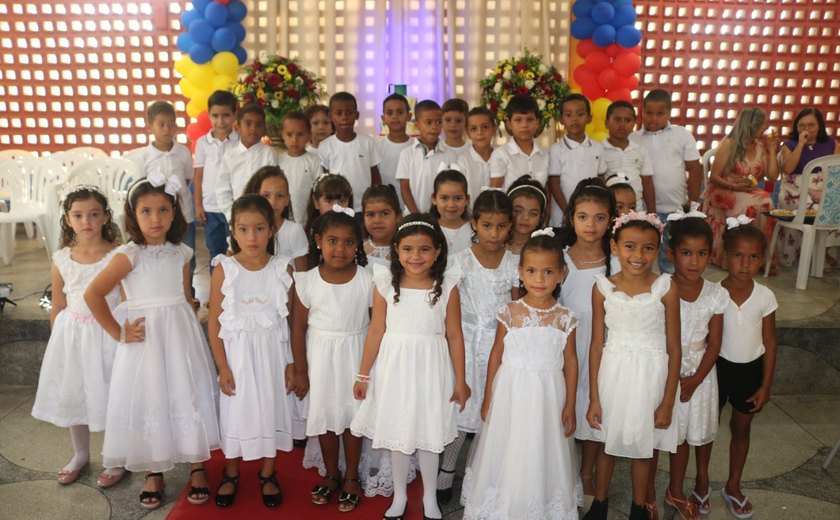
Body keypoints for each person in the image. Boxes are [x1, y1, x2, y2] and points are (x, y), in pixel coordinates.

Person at [85, 174, 220, 510]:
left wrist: (188, 305)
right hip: (145, 339)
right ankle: (154, 469)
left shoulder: (182, 252)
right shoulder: (129, 254)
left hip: (180, 335)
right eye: (146, 211)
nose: (155, 218)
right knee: (150, 396)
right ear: (134, 214)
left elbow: (184, 292)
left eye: (163, 210)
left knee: (184, 390)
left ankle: (197, 464)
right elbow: (93, 294)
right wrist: (118, 332)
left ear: (174, 213)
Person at [351, 214, 470, 520]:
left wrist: (461, 380)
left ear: (438, 251)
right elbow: (376, 330)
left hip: (432, 369)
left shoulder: (446, 285)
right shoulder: (385, 283)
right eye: (408, 249)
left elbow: (455, 334)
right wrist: (363, 374)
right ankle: (400, 496)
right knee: (399, 431)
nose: (415, 257)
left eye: (424, 250)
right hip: (395, 368)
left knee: (429, 434)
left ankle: (429, 497)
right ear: (396, 249)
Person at [461, 228, 580, 519]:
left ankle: (537, 504)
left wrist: (570, 405)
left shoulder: (565, 318)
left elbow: (572, 362)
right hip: (511, 391)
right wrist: (488, 394)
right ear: (520, 273)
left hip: (549, 395)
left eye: (548, 271)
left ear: (562, 274)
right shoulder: (509, 311)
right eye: (531, 271)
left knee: (543, 448)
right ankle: (505, 504)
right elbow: (496, 355)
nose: (539, 279)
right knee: (508, 447)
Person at [585, 211, 680, 520]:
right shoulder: (602, 288)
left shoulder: (666, 288)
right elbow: (597, 343)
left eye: (648, 248)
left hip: (651, 377)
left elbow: (674, 347)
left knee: (645, 445)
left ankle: (639, 507)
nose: (638, 255)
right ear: (614, 247)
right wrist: (594, 397)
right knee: (608, 443)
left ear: (658, 250)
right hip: (614, 374)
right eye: (629, 246)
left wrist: (668, 401)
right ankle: (599, 504)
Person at [31, 186, 124, 488]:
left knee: (112, 394)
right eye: (79, 215)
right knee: (76, 393)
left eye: (94, 214)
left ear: (106, 217)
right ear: (68, 220)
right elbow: (58, 303)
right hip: (71, 335)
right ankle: (80, 453)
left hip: (107, 332)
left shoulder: (117, 256)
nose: (87, 221)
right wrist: (57, 342)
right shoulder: (61, 259)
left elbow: (124, 299)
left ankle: (116, 457)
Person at [207, 195, 294, 509]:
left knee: (269, 408)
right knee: (236, 414)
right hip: (238, 360)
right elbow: (215, 323)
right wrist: (222, 366)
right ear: (233, 230)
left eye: (259, 228)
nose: (252, 237)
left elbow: (291, 322)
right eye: (243, 229)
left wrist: (292, 363)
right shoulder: (224, 269)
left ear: (271, 230)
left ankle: (268, 472)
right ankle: (231, 472)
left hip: (272, 357)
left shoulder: (282, 269)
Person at [436, 188, 519, 503]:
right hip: (466, 345)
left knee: (493, 408)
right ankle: (447, 469)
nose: (494, 234)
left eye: (501, 226)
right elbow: (449, 310)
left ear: (510, 225)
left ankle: (486, 472)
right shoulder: (459, 262)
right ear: (475, 223)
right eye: (487, 226)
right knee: (461, 408)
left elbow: (515, 308)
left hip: (499, 346)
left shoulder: (514, 263)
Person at [646, 209, 726, 520]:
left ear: (711, 255)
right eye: (686, 253)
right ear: (671, 254)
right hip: (664, 373)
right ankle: (648, 493)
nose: (694, 261)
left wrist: (694, 380)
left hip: (700, 377)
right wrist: (672, 377)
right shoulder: (661, 288)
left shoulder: (716, 293)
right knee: (656, 436)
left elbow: (715, 344)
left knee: (684, 438)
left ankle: (675, 489)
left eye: (702, 253)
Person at [290, 208, 372, 513]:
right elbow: (297, 328)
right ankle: (331, 472)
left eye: (349, 242)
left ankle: (351, 475)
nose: (340, 249)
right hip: (320, 357)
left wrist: (369, 370)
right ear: (318, 241)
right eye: (333, 241)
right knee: (324, 416)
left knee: (353, 417)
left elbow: (377, 327)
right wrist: (300, 370)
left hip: (356, 354)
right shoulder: (307, 280)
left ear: (358, 245)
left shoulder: (368, 279)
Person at [557, 178, 618, 505]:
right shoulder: (559, 259)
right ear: (571, 218)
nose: (590, 225)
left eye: (599, 218)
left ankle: (587, 471)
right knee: (564, 407)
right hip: (565, 349)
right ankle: (564, 470)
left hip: (601, 346)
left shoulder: (617, 262)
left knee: (596, 409)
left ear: (610, 220)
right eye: (583, 217)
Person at [715, 220, 778, 519]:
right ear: (725, 256)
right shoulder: (713, 293)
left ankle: (733, 485)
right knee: (703, 431)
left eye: (753, 257)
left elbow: (769, 340)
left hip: (750, 372)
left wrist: (765, 385)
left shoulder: (765, 296)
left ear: (762, 260)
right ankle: (701, 482)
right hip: (715, 370)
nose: (745, 263)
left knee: (741, 428)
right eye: (738, 255)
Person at [630, 89, 703, 274]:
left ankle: (669, 293)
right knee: (642, 254)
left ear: (669, 113)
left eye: (660, 114)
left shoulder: (682, 135)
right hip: (643, 211)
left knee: (669, 255)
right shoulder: (633, 139)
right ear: (641, 111)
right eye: (649, 113)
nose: (653, 118)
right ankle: (644, 291)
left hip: (675, 210)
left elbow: (695, 168)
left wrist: (693, 202)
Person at [129, 101, 197, 290]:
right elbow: (140, 187)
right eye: (161, 124)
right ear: (150, 127)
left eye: (172, 124)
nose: (167, 129)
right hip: (158, 217)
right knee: (161, 253)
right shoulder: (144, 156)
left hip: (184, 214)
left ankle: (188, 293)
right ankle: (165, 290)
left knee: (187, 253)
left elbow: (188, 179)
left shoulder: (183, 152)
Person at [703, 108, 779, 269]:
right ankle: (735, 256)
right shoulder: (729, 144)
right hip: (724, 188)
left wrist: (772, 149)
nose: (765, 126)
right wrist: (734, 186)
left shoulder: (759, 146)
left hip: (748, 190)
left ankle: (760, 257)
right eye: (762, 123)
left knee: (766, 202)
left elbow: (773, 176)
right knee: (749, 204)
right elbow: (714, 176)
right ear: (752, 124)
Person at [777, 107, 840, 268]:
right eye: (801, 125)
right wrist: (801, 143)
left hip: (824, 187)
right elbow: (788, 169)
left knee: (831, 206)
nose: (806, 129)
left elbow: (836, 172)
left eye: (811, 125)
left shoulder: (832, 143)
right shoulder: (789, 145)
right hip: (795, 189)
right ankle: (814, 258)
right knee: (815, 207)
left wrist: (824, 192)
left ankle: (824, 252)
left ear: (820, 126)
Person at [194, 90, 240, 268]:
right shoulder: (202, 143)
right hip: (211, 208)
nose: (221, 121)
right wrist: (199, 205)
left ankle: (233, 293)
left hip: (232, 206)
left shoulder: (239, 141)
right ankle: (217, 292)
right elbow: (198, 176)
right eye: (215, 116)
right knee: (215, 251)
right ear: (209, 115)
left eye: (226, 115)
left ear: (234, 114)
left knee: (235, 250)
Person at [318, 91, 382, 213]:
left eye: (349, 113)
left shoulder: (367, 142)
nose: (344, 117)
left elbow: (375, 175)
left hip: (364, 207)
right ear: (330, 116)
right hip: (337, 207)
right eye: (339, 113)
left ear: (356, 115)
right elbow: (324, 179)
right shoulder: (325, 146)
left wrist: (374, 200)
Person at [548, 93, 607, 226]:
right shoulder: (556, 150)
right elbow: (554, 184)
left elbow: (601, 179)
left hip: (590, 215)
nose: (574, 119)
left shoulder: (597, 148)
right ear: (561, 119)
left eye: (580, 114)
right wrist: (568, 211)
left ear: (589, 118)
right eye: (568, 115)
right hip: (562, 216)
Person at [216, 103, 281, 221]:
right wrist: (231, 215)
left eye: (259, 125)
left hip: (262, 215)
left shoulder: (269, 154)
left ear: (264, 129)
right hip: (236, 216)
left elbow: (273, 186)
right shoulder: (230, 156)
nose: (253, 128)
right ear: (238, 128)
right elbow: (223, 189)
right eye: (248, 123)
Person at [243, 166, 308, 271]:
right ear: (255, 196)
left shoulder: (294, 231)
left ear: (287, 199)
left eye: (280, 196)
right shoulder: (244, 229)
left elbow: (302, 276)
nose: (272, 202)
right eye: (266, 195)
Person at [397, 99, 456, 213]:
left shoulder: (449, 154)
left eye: (439, 122)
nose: (434, 127)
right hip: (413, 214)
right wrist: (416, 214)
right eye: (428, 122)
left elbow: (452, 187)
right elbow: (405, 189)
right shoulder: (407, 154)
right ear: (417, 125)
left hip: (442, 216)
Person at [602, 100, 656, 213]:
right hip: (610, 213)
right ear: (606, 122)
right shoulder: (599, 150)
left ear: (633, 124)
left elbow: (647, 183)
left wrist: (652, 214)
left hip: (636, 212)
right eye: (617, 119)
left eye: (628, 120)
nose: (623, 124)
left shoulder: (640, 150)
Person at [489, 95, 549, 189]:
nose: (524, 125)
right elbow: (495, 192)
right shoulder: (501, 154)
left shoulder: (545, 154)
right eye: (518, 120)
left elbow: (546, 190)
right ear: (509, 123)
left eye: (530, 119)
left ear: (538, 122)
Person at [278, 111, 321, 229]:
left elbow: (318, 192)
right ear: (282, 134)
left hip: (307, 220)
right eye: (289, 134)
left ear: (309, 135)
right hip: (281, 220)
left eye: (300, 134)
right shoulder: (278, 160)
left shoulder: (314, 161)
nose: (294, 140)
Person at [377, 93, 414, 210]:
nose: (395, 116)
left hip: (414, 207)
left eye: (400, 112)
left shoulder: (417, 146)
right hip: (386, 208)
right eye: (389, 113)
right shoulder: (377, 148)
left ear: (409, 116)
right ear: (383, 118)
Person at [456, 107, 497, 203]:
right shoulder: (463, 161)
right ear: (468, 134)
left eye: (485, 127)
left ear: (494, 129)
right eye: (473, 129)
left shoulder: (502, 156)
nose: (480, 132)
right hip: (471, 215)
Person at [431, 169, 472, 255]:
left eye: (458, 198)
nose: (451, 204)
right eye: (444, 198)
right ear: (434, 199)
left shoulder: (474, 230)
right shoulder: (429, 229)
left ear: (467, 199)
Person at [505, 175, 549, 256]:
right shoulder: (496, 243)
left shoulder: (544, 250)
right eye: (518, 211)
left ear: (541, 217)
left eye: (533, 214)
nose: (525, 218)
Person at [362, 184, 401, 266]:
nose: (377, 220)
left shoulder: (406, 250)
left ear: (398, 216)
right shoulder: (357, 249)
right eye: (370, 214)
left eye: (385, 213)